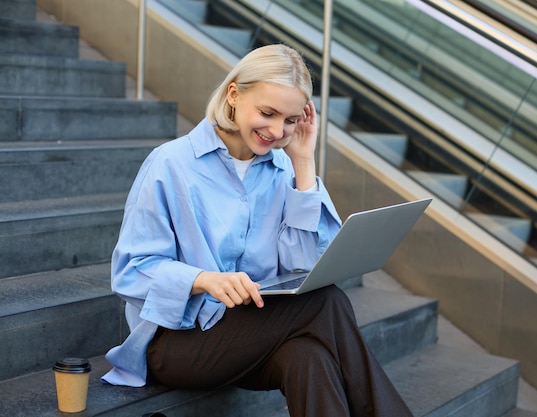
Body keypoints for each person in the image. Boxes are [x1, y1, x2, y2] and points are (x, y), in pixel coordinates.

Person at [102, 43, 413, 417]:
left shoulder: (286, 171)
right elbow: (130, 271)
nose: (277, 130)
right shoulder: (170, 164)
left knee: (309, 357)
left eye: (290, 120)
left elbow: (302, 268)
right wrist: (203, 279)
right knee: (326, 301)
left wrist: (303, 163)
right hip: (177, 341)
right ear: (234, 94)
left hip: (254, 331)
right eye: (267, 113)